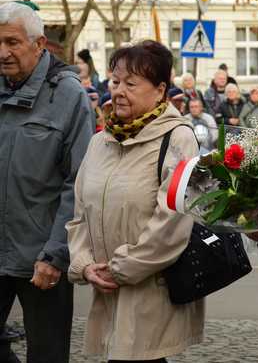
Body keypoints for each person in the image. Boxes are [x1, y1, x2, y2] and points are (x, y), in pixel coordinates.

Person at [65, 40, 204, 362]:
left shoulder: (178, 137)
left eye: (131, 83)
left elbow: (173, 220)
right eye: (115, 81)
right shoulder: (101, 140)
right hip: (105, 286)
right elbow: (79, 212)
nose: (119, 91)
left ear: (159, 90)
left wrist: (123, 268)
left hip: (149, 290)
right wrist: (85, 265)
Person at [0, 1, 94, 363]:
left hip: (41, 256)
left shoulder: (67, 95)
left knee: (48, 355)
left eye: (12, 42)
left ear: (39, 45)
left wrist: (56, 254)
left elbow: (79, 182)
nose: (3, 52)